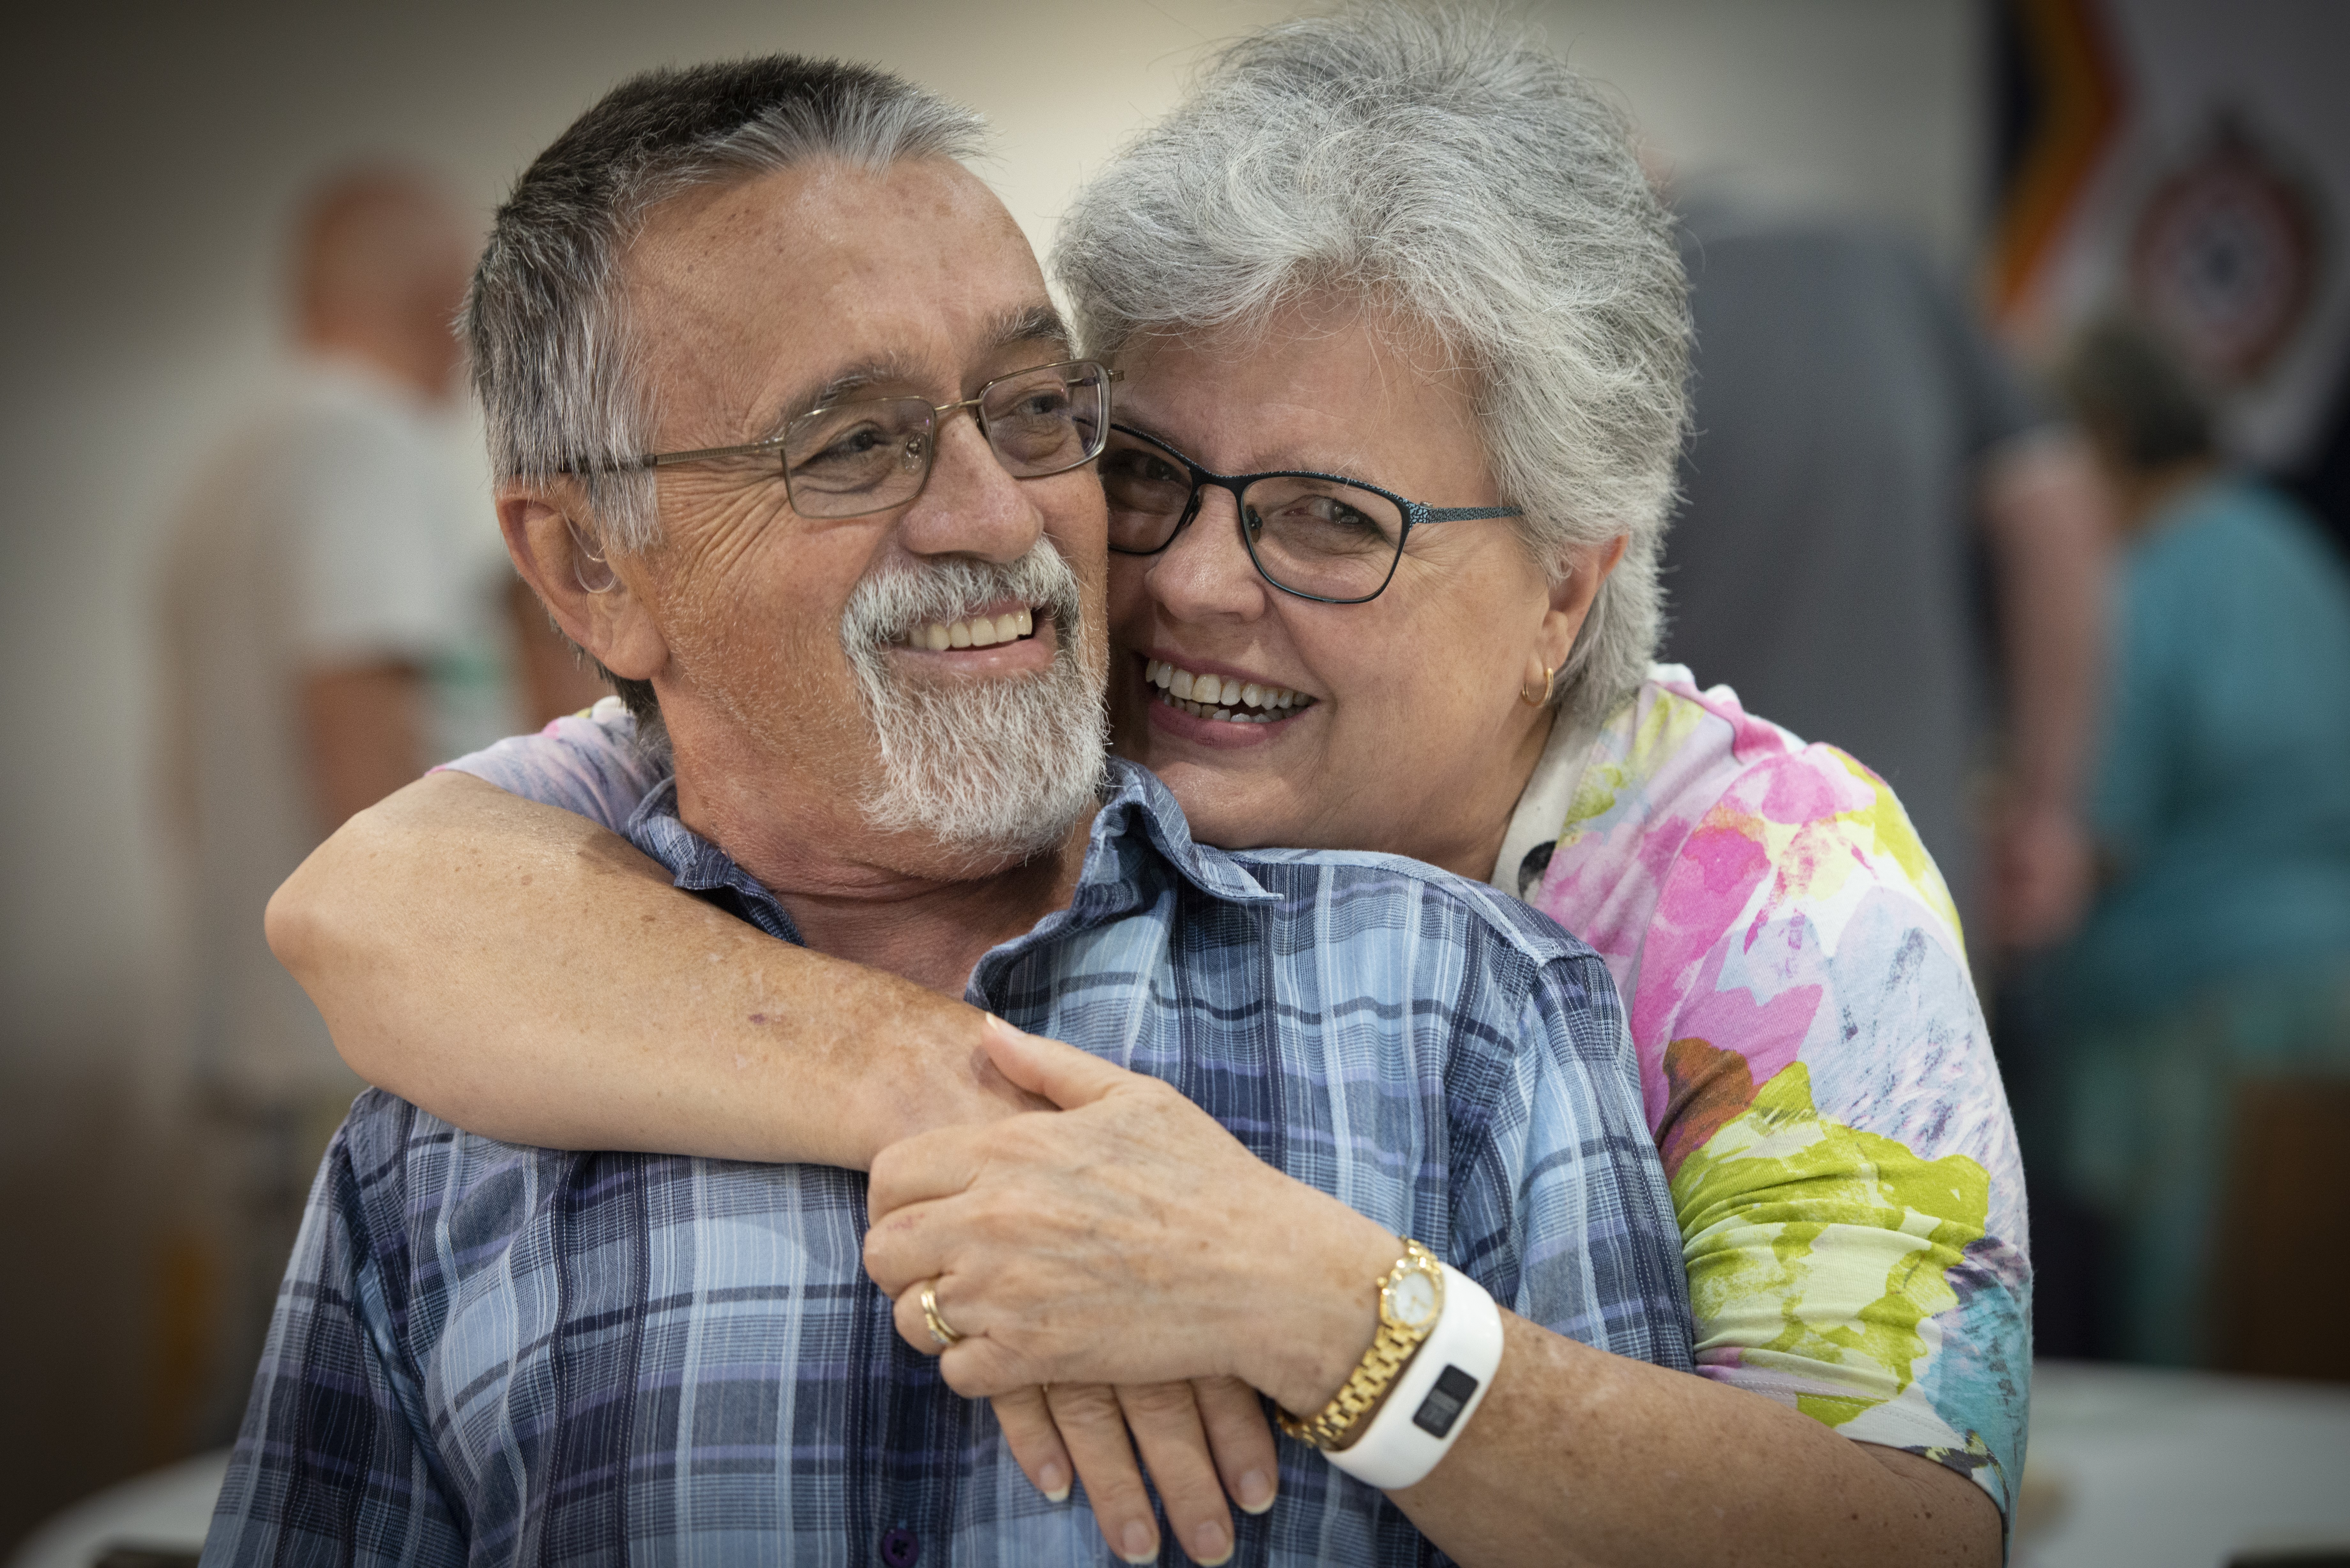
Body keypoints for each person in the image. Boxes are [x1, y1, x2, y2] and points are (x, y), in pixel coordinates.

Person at [270, 12, 2023, 1564]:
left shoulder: (1735, 900)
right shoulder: (961, 708)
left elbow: (1896, 1534)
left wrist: (1329, 1310)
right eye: (1146, 469)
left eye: (1334, 520)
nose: (1185, 584)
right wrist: (940, 1085)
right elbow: (378, 900)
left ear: (1567, 585)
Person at [154, 165, 497, 1440]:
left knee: (249, 1436)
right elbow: (367, 761)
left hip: (253, 1039)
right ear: (432, 299)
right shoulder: (357, 441)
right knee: (342, 1447)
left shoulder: (238, 456)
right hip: (340, 1054)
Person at [1660, 197, 2110, 952]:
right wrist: (2045, 811)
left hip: (1674, 905)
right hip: (1903, 891)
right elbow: (2052, 506)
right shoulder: (1888, 271)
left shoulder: (1614, 296)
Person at [2040, 318, 2350, 1366]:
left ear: (2106, 437)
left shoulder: (2143, 587)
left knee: (2190, 1340)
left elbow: (2098, 833)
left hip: (2200, 1010)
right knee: (2300, 1327)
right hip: (2331, 982)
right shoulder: (2292, 548)